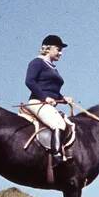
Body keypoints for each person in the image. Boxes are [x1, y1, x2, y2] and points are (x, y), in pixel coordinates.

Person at [23, 34, 73, 162]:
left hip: (48, 104)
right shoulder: (37, 62)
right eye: (58, 49)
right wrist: (44, 97)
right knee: (59, 123)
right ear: (48, 48)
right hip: (37, 102)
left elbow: (52, 91)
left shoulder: (53, 68)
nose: (60, 53)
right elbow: (30, 81)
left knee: (69, 124)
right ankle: (56, 156)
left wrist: (63, 98)